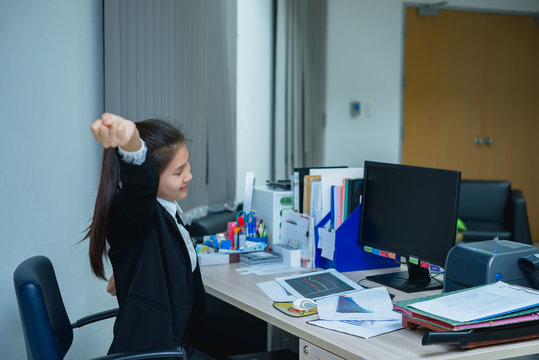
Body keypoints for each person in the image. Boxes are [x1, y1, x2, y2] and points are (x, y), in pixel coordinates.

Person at [85, 113, 213, 360]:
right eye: (178, 172)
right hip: (157, 352)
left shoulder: (166, 210)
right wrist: (132, 142)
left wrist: (132, 274)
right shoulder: (133, 212)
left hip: (178, 343)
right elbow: (140, 186)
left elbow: (157, 252)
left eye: (187, 165)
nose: (189, 176)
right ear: (153, 176)